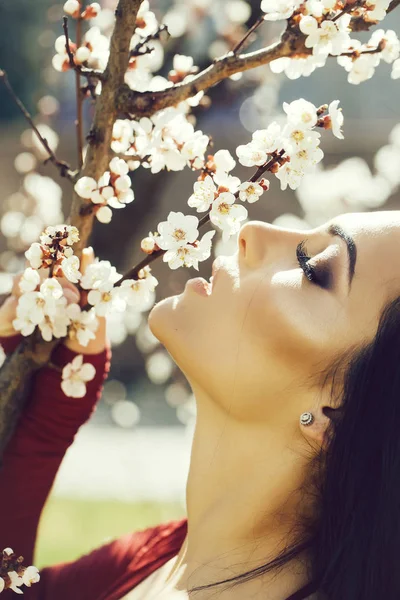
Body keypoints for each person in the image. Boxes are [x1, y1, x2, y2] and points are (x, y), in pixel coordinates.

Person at [1, 211, 400, 599]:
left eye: (313, 269)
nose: (252, 231)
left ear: (336, 417)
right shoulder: (161, 559)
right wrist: (47, 420)